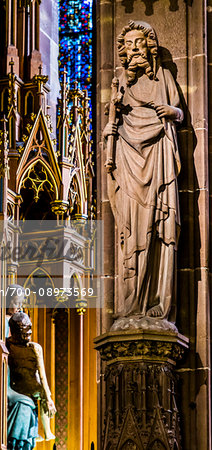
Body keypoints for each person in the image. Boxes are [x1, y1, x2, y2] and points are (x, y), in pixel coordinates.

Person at [103, 21, 183, 321]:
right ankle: (130, 304)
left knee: (157, 226)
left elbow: (179, 111)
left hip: (157, 157)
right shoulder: (121, 82)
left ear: (149, 47)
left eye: (140, 43)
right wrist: (109, 131)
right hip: (127, 157)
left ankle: (157, 300)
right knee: (130, 227)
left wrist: (169, 111)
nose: (135, 49)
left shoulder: (162, 77)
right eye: (130, 44)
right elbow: (112, 123)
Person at [7, 312, 56, 441]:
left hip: (19, 385)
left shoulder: (8, 344)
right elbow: (42, 376)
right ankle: (47, 431)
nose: (28, 336)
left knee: (41, 394)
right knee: (42, 394)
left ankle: (43, 432)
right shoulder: (34, 348)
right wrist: (48, 398)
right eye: (25, 333)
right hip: (26, 386)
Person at [5, 284, 39, 450]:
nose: (18, 307)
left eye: (20, 303)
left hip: (16, 373)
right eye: (15, 302)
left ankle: (23, 443)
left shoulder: (19, 320)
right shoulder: (4, 322)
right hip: (5, 376)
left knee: (32, 400)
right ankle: (16, 443)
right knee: (25, 402)